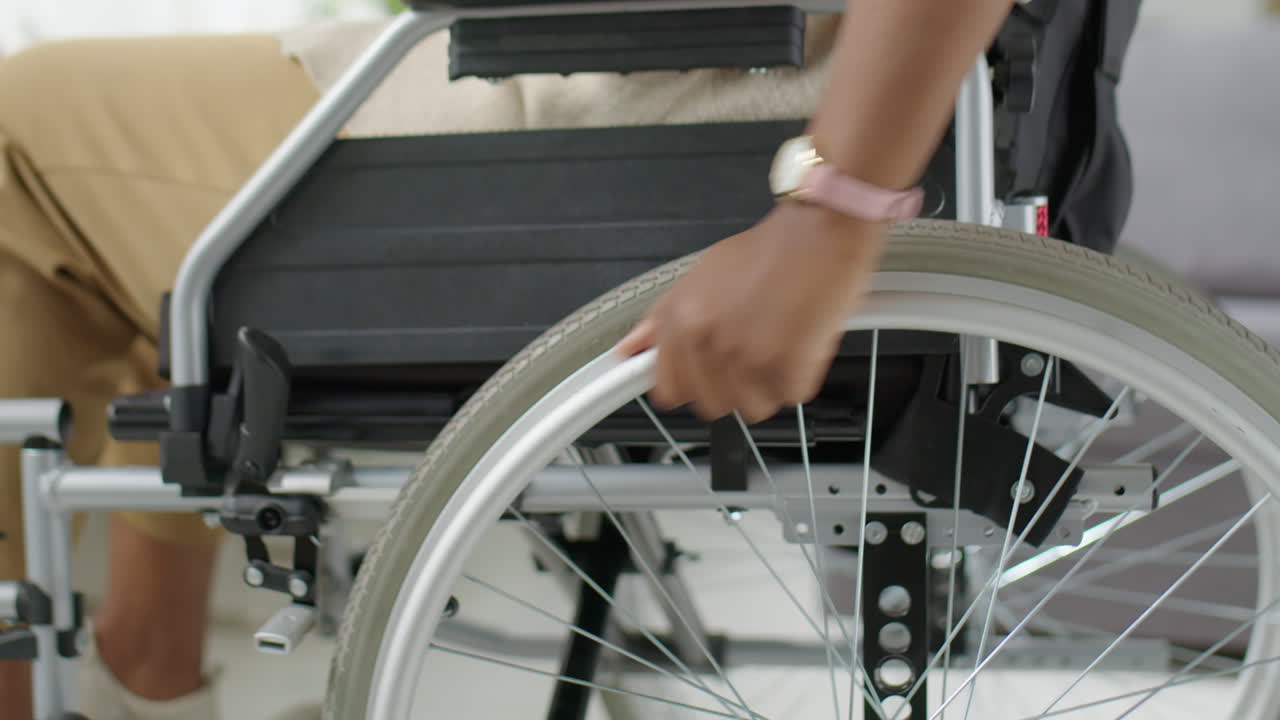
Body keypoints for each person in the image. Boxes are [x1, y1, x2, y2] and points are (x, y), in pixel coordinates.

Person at [0, 1, 1026, 717]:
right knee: (152, 265)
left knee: (16, 132)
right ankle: (145, 662)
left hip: (667, 95)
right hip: (703, 72)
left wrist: (831, 211)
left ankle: (140, 675)